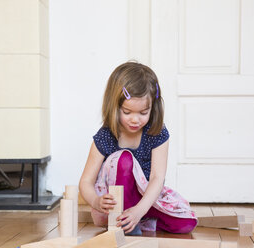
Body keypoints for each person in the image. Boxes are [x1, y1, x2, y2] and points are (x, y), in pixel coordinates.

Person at [79, 61, 197, 235]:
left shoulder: (157, 132)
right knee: (124, 159)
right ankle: (125, 222)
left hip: (145, 201)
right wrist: (96, 202)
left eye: (143, 113)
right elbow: (85, 182)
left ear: (153, 108)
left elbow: (158, 178)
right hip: (114, 206)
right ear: (114, 106)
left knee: (186, 223)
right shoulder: (105, 136)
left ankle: (138, 219)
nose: (135, 120)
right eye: (127, 112)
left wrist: (139, 210)